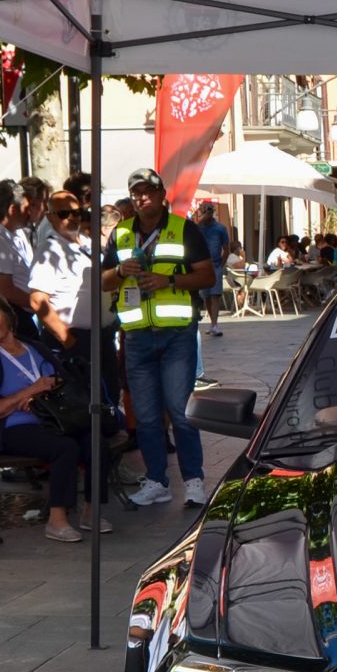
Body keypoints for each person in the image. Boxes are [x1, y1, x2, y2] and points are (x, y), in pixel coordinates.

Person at [103, 167, 215, 507]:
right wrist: (119, 270)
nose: (142, 198)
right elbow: (104, 281)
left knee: (180, 411)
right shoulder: (121, 233)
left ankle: (193, 480)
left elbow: (207, 276)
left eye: (148, 192)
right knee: (147, 415)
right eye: (136, 193)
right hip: (136, 335)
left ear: (161, 194)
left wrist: (169, 281)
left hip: (176, 333)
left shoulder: (184, 229)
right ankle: (156, 480)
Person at [0, 297, 106, 542]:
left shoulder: (35, 347)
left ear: (9, 318)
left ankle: (91, 510)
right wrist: (30, 391)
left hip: (54, 419)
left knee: (96, 441)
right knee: (65, 447)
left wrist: (46, 390)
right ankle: (56, 520)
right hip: (13, 428)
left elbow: (63, 379)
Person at [28, 192, 96, 341]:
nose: (72, 217)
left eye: (76, 212)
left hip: (100, 337)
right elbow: (37, 300)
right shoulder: (49, 251)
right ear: (50, 217)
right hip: (74, 338)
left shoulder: (87, 241)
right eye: (64, 214)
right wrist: (67, 339)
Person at [0, 177, 47, 319]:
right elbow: (7, 291)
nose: (29, 213)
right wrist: (41, 306)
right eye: (26, 208)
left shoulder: (15, 233)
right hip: (7, 318)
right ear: (12, 209)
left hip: (18, 315)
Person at [193, 200, 233, 336]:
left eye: (209, 210)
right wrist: (201, 221)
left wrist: (221, 265)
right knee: (207, 297)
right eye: (204, 210)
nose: (207, 213)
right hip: (202, 267)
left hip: (215, 265)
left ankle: (215, 324)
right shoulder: (198, 228)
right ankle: (212, 322)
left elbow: (226, 248)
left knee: (215, 295)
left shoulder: (220, 228)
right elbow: (191, 234)